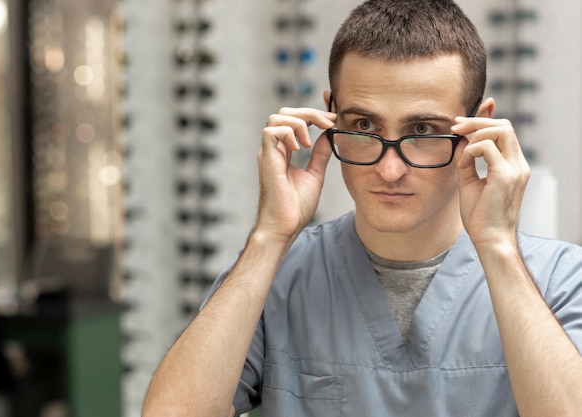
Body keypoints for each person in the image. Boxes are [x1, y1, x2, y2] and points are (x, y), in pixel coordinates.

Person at [142, 0, 582, 416]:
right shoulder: (276, 276)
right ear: (330, 116)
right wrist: (269, 236)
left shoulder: (561, 280)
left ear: (479, 125)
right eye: (364, 125)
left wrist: (499, 247)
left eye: (424, 129)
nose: (389, 170)